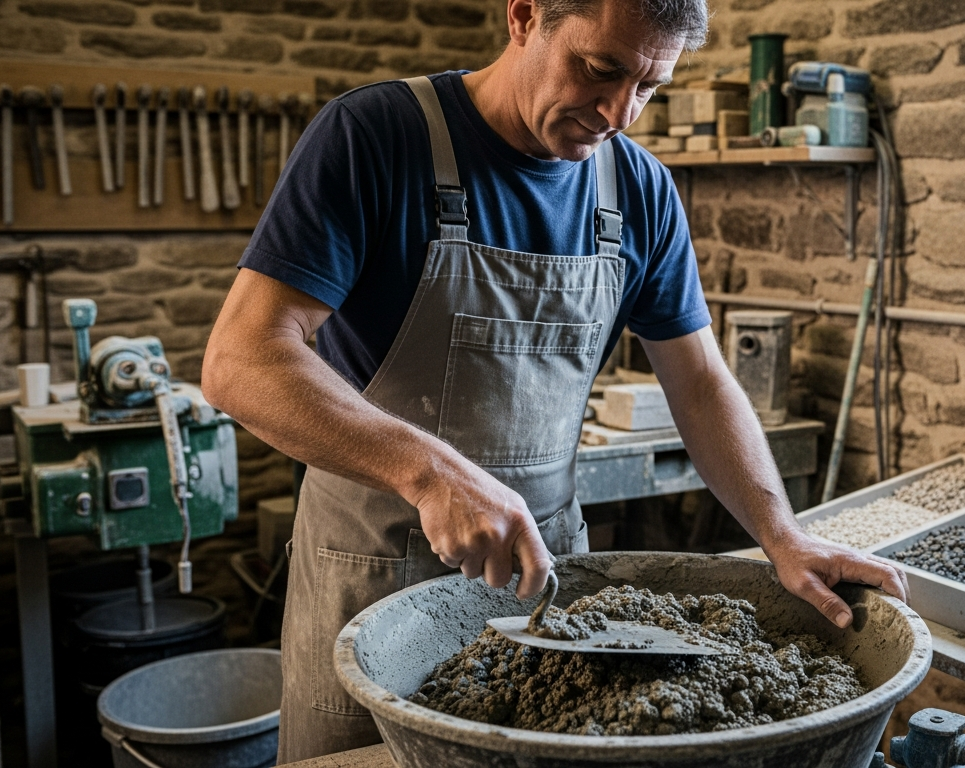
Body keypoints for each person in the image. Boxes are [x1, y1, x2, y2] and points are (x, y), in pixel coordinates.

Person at [202, 0, 908, 761]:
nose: (617, 112)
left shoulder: (638, 190)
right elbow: (242, 361)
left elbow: (699, 378)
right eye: (599, 70)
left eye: (648, 87)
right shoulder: (376, 137)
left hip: (550, 592)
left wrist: (782, 535)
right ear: (524, 15)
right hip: (376, 581)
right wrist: (430, 471)